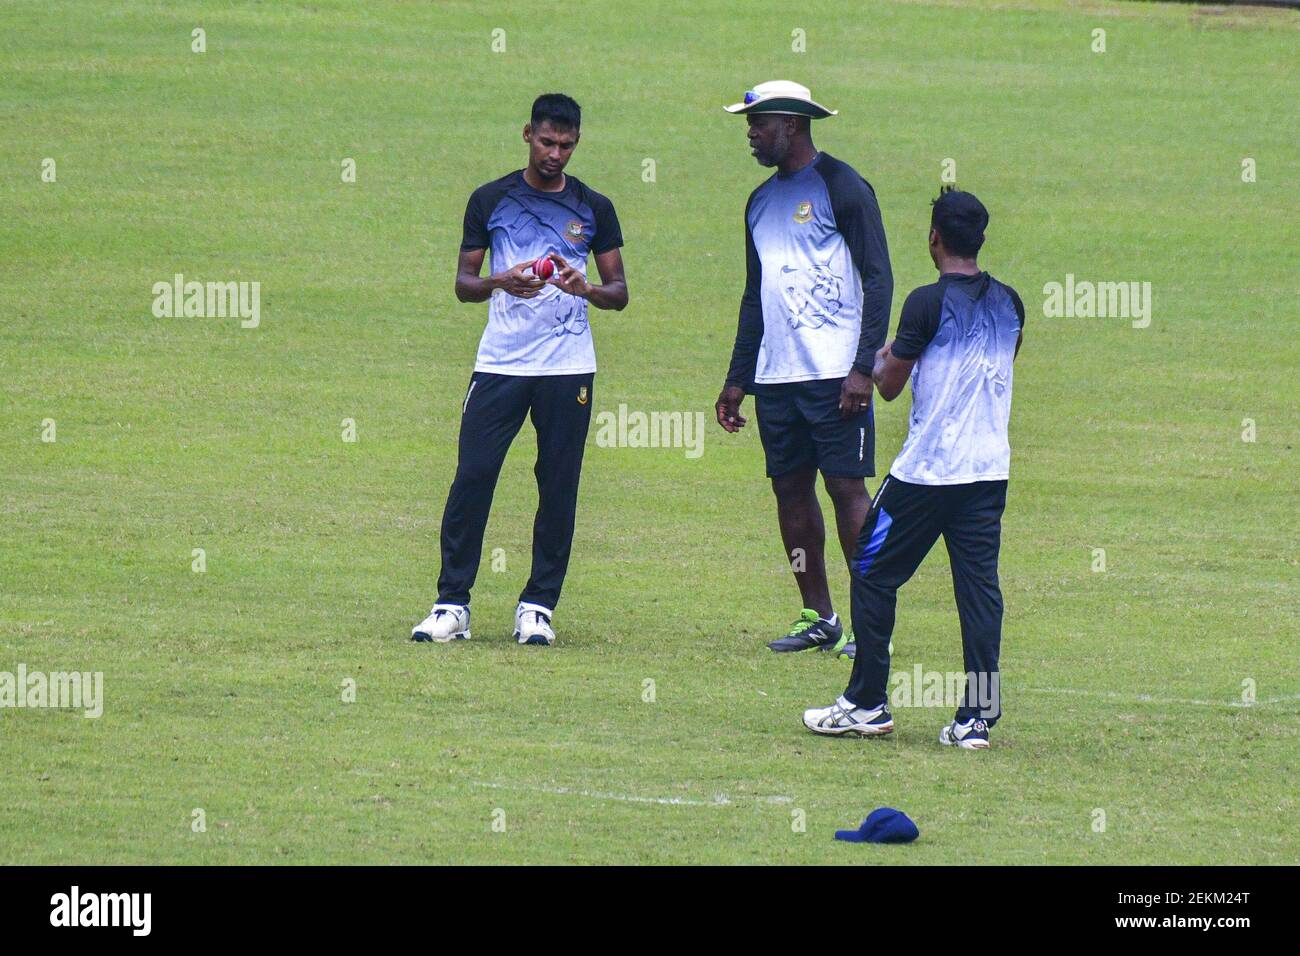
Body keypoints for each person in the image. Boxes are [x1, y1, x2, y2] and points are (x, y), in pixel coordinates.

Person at [801, 189, 1024, 750]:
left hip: (926, 474)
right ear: (981, 239)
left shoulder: (926, 302)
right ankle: (976, 720)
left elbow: (889, 386)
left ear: (933, 238)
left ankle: (866, 704)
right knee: (979, 592)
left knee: (871, 570)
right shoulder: (1010, 303)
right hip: (987, 472)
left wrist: (882, 358)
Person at [410, 93, 628, 647]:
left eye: (567, 146)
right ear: (528, 134)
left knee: (557, 485)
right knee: (473, 476)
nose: (555, 154)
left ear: (577, 143)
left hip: (569, 369)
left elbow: (619, 293)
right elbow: (464, 285)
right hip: (501, 363)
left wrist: (586, 288)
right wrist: (499, 281)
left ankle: (537, 607)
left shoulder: (594, 208)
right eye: (547, 142)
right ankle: (451, 605)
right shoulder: (491, 200)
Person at [715, 80, 893, 655]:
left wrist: (863, 368)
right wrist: (738, 379)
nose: (750, 133)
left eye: (758, 123)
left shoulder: (843, 186)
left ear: (790, 124)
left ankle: (871, 626)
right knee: (790, 495)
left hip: (836, 376)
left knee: (847, 491)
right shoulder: (757, 202)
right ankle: (819, 615)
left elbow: (879, 278)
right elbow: (754, 295)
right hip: (776, 380)